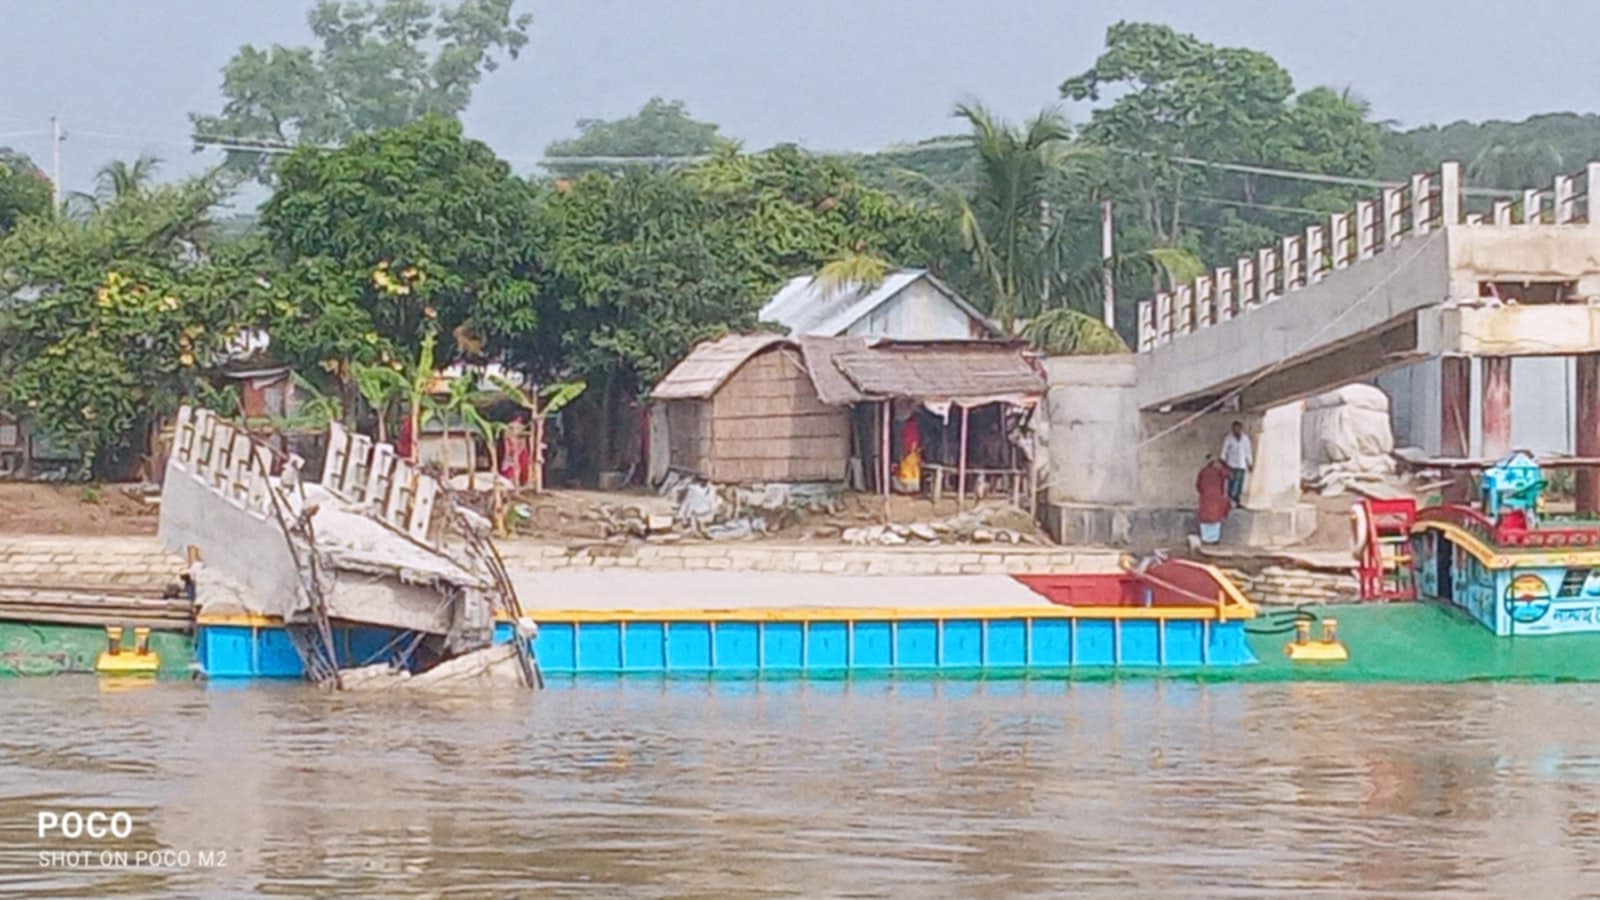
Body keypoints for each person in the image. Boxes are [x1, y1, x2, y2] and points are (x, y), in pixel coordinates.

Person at [1195, 455, 1230, 545]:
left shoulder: (1204, 471)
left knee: (1206, 519)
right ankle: (1214, 539)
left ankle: (1206, 539)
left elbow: (1198, 486)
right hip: (1217, 498)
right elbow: (1226, 486)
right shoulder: (1222, 472)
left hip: (1207, 498)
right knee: (1215, 519)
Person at [1220, 420, 1253, 507]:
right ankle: (1230, 501)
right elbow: (1224, 451)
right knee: (1231, 483)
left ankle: (1237, 500)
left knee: (1239, 484)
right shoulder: (1229, 438)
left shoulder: (1245, 439)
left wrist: (1250, 463)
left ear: (1241, 429)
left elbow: (1248, 451)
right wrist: (1223, 460)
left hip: (1241, 465)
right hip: (1231, 465)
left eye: (1237, 429)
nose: (1236, 431)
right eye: (1234, 429)